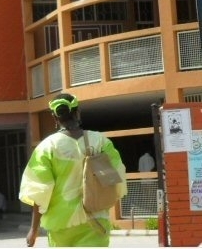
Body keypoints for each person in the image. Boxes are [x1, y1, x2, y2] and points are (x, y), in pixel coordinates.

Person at [19, 93, 127, 247]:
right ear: (77, 113)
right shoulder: (101, 141)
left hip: (61, 224)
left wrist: (33, 229)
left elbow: (39, 192)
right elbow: (117, 180)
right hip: (96, 219)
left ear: (55, 118)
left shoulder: (47, 147)